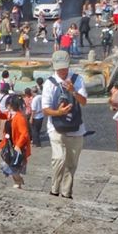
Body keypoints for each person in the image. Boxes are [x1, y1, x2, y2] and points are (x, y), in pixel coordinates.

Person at [42, 50, 88, 200]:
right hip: (56, 127)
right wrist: (59, 112)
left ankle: (67, 192)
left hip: (76, 127)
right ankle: (54, 189)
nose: (62, 71)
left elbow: (84, 102)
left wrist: (73, 91)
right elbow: (45, 109)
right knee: (59, 158)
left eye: (64, 68)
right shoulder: (49, 83)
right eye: (59, 68)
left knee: (72, 163)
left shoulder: (77, 79)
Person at [0, 94, 32, 188]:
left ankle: (18, 182)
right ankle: (18, 181)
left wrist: (18, 145)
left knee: (14, 165)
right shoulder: (10, 114)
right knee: (9, 163)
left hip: (17, 144)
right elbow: (2, 115)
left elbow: (24, 133)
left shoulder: (19, 117)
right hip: (9, 143)